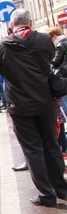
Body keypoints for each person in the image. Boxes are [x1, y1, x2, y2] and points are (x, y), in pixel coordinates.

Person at [0, 9, 67, 206]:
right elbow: (49, 60)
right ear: (31, 22)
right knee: (51, 144)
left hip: (20, 104)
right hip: (45, 100)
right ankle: (61, 188)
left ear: (12, 25)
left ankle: (46, 195)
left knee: (32, 150)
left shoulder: (2, 46)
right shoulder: (43, 40)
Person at [49, 26, 67, 156]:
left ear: (54, 36)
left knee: (63, 104)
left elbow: (55, 61)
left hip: (63, 76)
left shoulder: (60, 45)